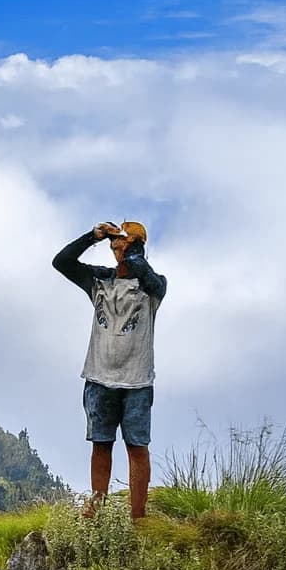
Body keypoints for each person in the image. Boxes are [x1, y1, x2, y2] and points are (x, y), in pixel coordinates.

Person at [51, 220, 168, 519]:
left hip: (137, 381)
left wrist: (131, 247)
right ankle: (97, 507)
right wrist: (94, 236)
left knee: (137, 448)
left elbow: (144, 272)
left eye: (124, 244)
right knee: (101, 445)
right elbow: (61, 262)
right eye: (115, 245)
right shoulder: (100, 281)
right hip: (99, 377)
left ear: (137, 247)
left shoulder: (153, 287)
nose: (117, 248)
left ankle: (138, 516)